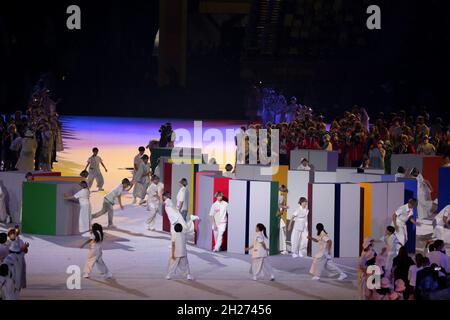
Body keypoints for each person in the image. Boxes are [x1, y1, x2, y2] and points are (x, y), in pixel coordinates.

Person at [277, 185, 288, 255]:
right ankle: (283, 249)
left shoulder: (283, 197)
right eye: (282, 191)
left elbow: (282, 206)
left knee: (283, 231)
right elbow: (277, 205)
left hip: (280, 215)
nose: (283, 192)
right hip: (278, 215)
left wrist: (284, 208)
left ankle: (283, 248)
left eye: (283, 191)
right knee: (282, 231)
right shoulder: (278, 196)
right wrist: (284, 207)